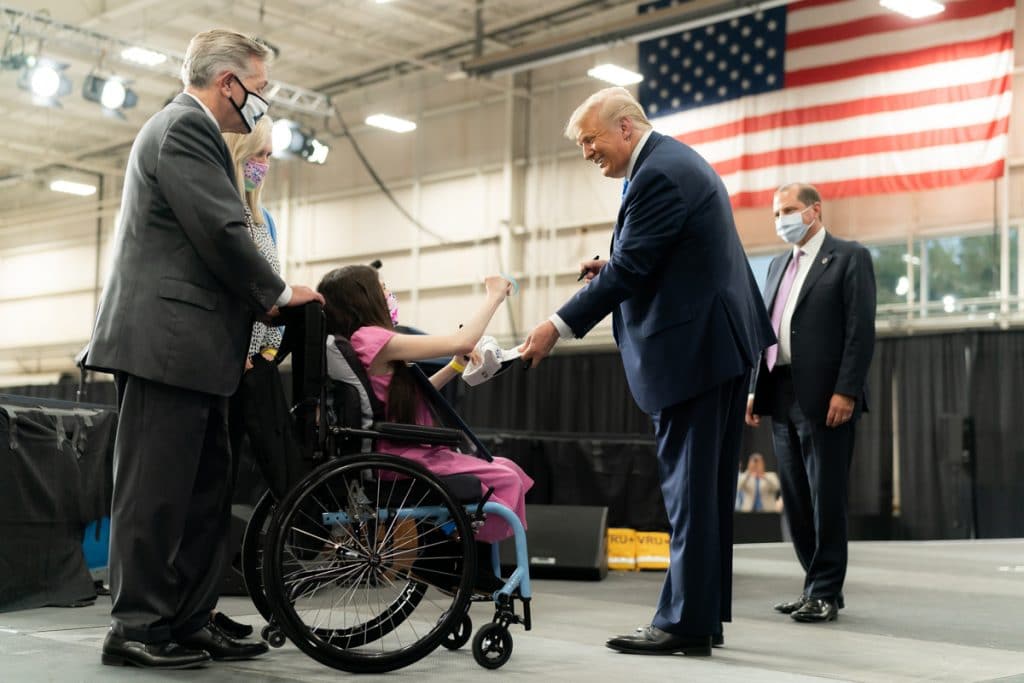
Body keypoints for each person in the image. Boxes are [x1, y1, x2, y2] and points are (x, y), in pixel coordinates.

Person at [85, 29, 324, 669]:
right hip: (165, 343)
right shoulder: (182, 129)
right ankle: (136, 626)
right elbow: (222, 230)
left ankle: (185, 619)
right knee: (155, 493)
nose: (262, 103)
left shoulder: (195, 134)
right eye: (260, 90)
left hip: (193, 348)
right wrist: (276, 291)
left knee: (202, 494)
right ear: (229, 83)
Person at [518, 87, 775, 656]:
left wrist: (555, 326)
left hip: (696, 353)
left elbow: (634, 268)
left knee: (690, 495)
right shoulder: (671, 162)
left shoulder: (658, 173)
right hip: (718, 347)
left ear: (626, 127)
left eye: (591, 139)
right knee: (704, 495)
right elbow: (664, 250)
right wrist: (611, 261)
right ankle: (701, 618)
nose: (587, 151)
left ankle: (684, 622)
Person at [317, 265, 533, 584]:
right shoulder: (371, 338)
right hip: (402, 459)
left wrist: (456, 366)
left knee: (507, 469)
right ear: (362, 297)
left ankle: (462, 554)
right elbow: (464, 338)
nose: (387, 293)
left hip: (399, 451)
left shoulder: (362, 342)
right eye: (381, 287)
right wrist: (495, 294)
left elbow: (416, 394)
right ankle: (455, 556)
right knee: (504, 477)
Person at [745, 183, 876, 623]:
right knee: (797, 498)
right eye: (775, 212)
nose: (780, 218)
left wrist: (848, 390)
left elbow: (860, 330)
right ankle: (813, 587)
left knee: (826, 495)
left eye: (788, 209)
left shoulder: (849, 257)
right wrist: (752, 389)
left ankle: (826, 590)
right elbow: (765, 332)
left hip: (827, 397)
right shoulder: (777, 264)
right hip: (780, 392)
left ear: (814, 210)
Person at [203, 115, 280, 640]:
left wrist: (266, 353)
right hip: (213, 366)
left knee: (218, 496)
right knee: (199, 495)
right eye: (261, 154)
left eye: (271, 157)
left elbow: (271, 295)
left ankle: (202, 605)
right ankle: (193, 609)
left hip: (250, 373)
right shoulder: (217, 211)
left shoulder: (265, 220)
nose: (266, 165)